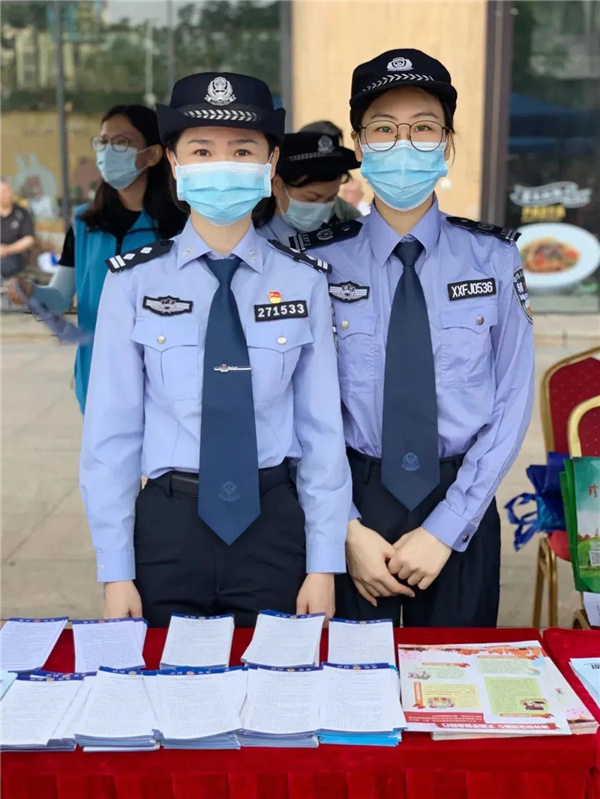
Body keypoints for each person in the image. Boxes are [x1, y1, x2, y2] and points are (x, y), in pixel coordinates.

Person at [79, 72, 351, 628]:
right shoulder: (132, 282)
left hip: (274, 525)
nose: (222, 164)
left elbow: (322, 431)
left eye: (242, 150)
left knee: (280, 681)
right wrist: (116, 570)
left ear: (270, 165)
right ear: (174, 165)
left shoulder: (304, 282)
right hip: (168, 530)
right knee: (163, 681)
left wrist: (324, 562)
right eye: (202, 150)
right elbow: (111, 435)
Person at [294, 49, 535, 628]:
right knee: (351, 674)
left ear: (446, 143)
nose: (403, 143)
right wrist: (344, 528)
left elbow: (512, 401)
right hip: (353, 497)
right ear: (360, 143)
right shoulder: (316, 265)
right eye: (383, 129)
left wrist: (446, 529)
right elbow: (297, 405)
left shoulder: (494, 258)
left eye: (423, 128)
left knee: (459, 674)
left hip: (462, 499)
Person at [6, 105, 186, 413]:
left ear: (153, 154)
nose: (108, 151)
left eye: (122, 142)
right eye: (103, 142)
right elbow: (60, 297)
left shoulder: (180, 226)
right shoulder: (84, 224)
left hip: (163, 383)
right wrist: (31, 292)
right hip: (96, 379)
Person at [253, 131, 361, 242]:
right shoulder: (255, 241)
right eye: (311, 198)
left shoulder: (345, 237)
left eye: (331, 198)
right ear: (278, 186)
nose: (322, 207)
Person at [0, 178, 35, 283]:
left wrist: (7, 250)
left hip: (14, 256)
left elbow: (29, 239)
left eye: (9, 190)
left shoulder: (22, 213)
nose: (8, 194)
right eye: (4, 192)